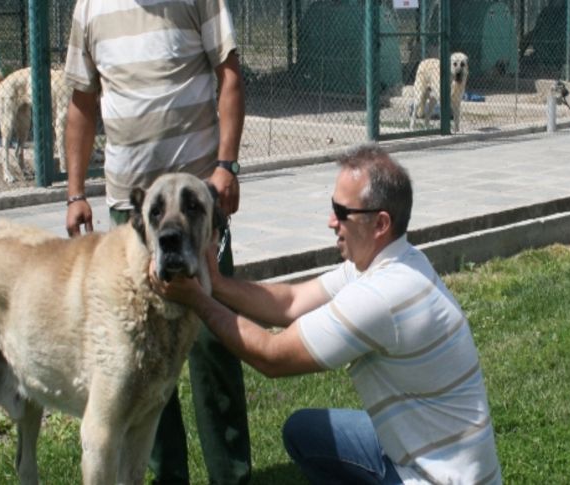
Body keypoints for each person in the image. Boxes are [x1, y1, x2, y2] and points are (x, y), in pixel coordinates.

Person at [152, 145, 503, 484]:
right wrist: (218, 283)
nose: (331, 221)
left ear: (380, 223)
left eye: (341, 210)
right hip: (430, 457)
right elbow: (289, 302)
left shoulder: (383, 296)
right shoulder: (388, 262)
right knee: (305, 432)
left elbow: (272, 357)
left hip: (440, 478)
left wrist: (197, 298)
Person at [62, 0, 251, 483]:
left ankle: (230, 475)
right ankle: (166, 477)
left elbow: (229, 74)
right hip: (132, 215)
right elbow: (82, 100)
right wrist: (76, 193)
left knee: (212, 343)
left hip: (194, 211)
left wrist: (225, 166)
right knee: (140, 358)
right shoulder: (89, 8)